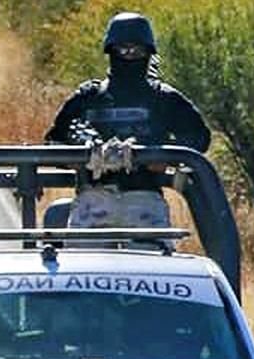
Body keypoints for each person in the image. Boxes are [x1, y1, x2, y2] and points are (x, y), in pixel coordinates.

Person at [45, 11, 211, 232]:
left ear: (148, 53)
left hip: (144, 200)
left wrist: (162, 156)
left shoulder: (163, 97)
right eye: (123, 50)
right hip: (93, 199)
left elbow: (200, 138)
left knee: (152, 264)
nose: (130, 56)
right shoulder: (88, 97)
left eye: (137, 50)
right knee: (84, 265)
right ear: (111, 51)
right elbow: (52, 142)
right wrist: (80, 157)